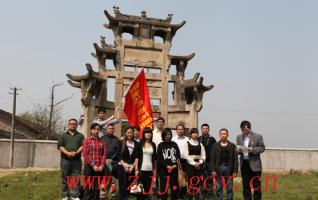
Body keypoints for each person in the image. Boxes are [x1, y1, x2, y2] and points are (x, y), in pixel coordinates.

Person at [236, 121, 265, 200]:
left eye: (245, 129)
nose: (244, 131)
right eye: (242, 130)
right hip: (244, 164)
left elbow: (262, 148)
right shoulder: (239, 137)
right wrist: (238, 151)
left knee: (257, 187)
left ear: (249, 128)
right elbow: (238, 149)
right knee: (246, 187)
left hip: (255, 165)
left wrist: (252, 149)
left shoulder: (258, 136)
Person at [57, 119, 84, 200]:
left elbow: (83, 146)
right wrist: (67, 153)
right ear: (68, 125)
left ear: (76, 125)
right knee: (65, 177)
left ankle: (74, 195)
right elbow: (60, 146)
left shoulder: (80, 136)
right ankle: (65, 195)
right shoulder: (63, 135)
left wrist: (76, 152)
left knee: (75, 178)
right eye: (71, 124)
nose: (73, 125)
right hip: (65, 160)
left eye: (74, 124)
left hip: (76, 160)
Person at [211, 128, 238, 200]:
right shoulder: (215, 145)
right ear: (219, 135)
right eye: (222, 134)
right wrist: (213, 170)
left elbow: (235, 159)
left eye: (225, 134)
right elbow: (212, 159)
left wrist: (235, 171)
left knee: (229, 187)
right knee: (219, 187)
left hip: (229, 168)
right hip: (218, 168)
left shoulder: (232, 146)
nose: (223, 135)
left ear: (227, 135)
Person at [82, 123, 107, 200]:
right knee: (88, 186)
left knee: (97, 187)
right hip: (89, 167)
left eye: (97, 129)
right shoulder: (87, 141)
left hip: (99, 168)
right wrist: (93, 165)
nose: (96, 131)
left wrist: (101, 165)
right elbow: (85, 154)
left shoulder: (102, 142)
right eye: (94, 129)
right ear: (91, 130)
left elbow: (104, 154)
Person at [156, 128, 180, 200]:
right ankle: (164, 197)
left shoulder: (174, 144)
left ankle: (174, 198)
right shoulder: (160, 145)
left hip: (174, 169)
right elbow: (159, 158)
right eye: (166, 134)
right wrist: (167, 166)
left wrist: (175, 165)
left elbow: (178, 155)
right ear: (163, 135)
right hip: (163, 169)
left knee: (174, 186)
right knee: (163, 187)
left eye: (169, 134)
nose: (167, 136)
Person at [118, 126, 141, 200]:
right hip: (122, 166)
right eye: (128, 132)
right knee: (123, 184)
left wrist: (134, 167)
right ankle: (123, 198)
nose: (130, 134)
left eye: (131, 132)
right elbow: (118, 155)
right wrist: (124, 165)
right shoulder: (121, 142)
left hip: (132, 166)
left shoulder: (137, 144)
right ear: (125, 133)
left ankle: (127, 197)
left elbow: (137, 157)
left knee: (130, 184)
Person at [184, 128, 206, 200]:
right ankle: (190, 198)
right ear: (190, 134)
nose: (195, 134)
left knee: (197, 183)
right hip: (190, 165)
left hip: (199, 165)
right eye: (193, 133)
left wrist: (200, 162)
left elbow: (203, 156)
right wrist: (194, 163)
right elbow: (186, 155)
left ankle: (197, 197)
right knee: (190, 183)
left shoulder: (200, 144)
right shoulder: (187, 143)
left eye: (196, 133)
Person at [101, 123, 121, 199]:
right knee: (104, 178)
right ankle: (103, 195)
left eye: (112, 128)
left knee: (113, 179)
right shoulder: (102, 138)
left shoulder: (117, 139)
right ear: (106, 129)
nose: (111, 130)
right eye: (109, 128)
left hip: (114, 161)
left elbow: (119, 151)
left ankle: (111, 195)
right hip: (104, 160)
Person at [137, 127, 156, 200]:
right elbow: (137, 158)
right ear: (143, 134)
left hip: (150, 169)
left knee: (148, 189)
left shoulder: (153, 144)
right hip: (141, 169)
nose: (148, 134)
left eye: (150, 133)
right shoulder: (140, 144)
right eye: (146, 133)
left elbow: (154, 159)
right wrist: (136, 169)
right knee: (140, 189)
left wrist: (154, 169)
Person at [199, 123, 216, 200]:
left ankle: (210, 194)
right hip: (200, 161)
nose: (205, 130)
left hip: (210, 161)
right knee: (201, 177)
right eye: (204, 128)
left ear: (208, 129)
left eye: (206, 128)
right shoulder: (198, 139)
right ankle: (203, 193)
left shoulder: (212, 139)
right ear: (201, 129)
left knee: (209, 178)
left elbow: (215, 151)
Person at [172, 123, 189, 199]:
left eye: (181, 129)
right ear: (176, 130)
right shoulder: (173, 139)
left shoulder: (187, 139)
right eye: (178, 129)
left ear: (184, 130)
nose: (180, 131)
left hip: (185, 161)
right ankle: (176, 194)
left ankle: (184, 194)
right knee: (176, 177)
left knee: (185, 178)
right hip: (176, 161)